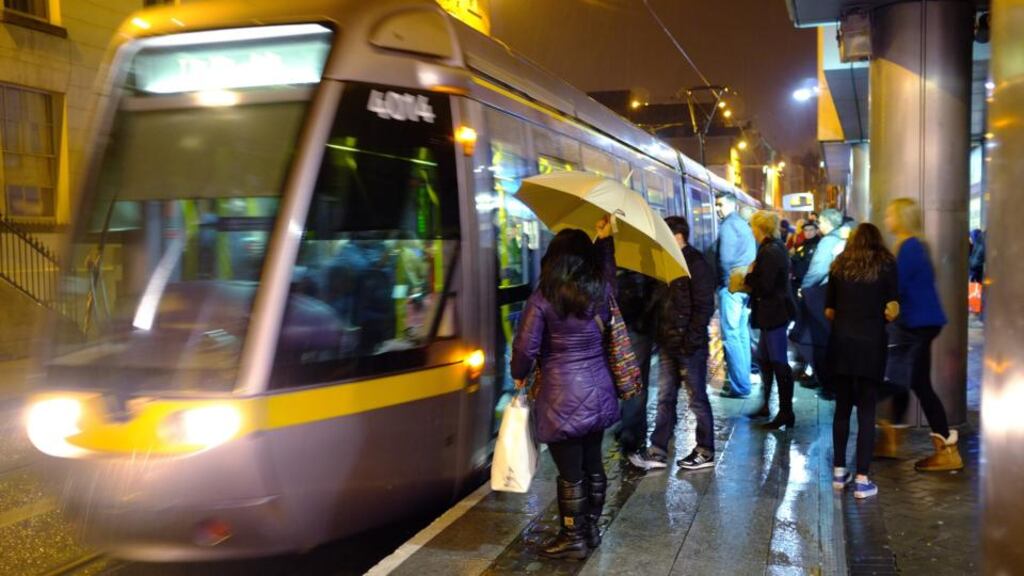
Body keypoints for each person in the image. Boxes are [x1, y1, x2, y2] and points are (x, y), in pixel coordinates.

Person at [509, 220, 619, 559]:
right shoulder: (600, 291)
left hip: (560, 395)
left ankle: (573, 536)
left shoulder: (543, 298)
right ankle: (591, 529)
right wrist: (606, 239)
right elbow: (608, 272)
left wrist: (518, 375)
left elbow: (525, 349)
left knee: (570, 472)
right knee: (593, 463)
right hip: (599, 389)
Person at [877, 198, 964, 472]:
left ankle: (946, 449)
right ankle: (893, 437)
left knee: (916, 382)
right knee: (907, 377)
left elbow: (896, 287)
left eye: (891, 214)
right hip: (921, 322)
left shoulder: (909, 247)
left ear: (902, 218)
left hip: (917, 323)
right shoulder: (916, 245)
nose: (887, 218)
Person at [631, 216, 717, 471]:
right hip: (668, 342)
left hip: (690, 346)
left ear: (676, 235)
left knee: (697, 399)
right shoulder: (666, 262)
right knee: (665, 397)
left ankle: (705, 450)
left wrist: (689, 341)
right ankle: (657, 450)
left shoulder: (696, 263)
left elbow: (704, 307)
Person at [825, 223, 899, 500]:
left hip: (842, 343)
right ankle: (862, 480)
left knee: (842, 408)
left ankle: (838, 472)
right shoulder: (887, 264)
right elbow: (893, 307)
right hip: (871, 345)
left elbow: (829, 310)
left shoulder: (839, 264)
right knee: (867, 410)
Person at [744, 211, 797, 429]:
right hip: (771, 314)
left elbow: (765, 285)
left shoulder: (770, 251)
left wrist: (749, 275)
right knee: (765, 360)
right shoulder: (773, 247)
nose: (752, 231)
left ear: (760, 228)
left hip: (774, 314)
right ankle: (766, 405)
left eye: (753, 227)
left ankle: (786, 413)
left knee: (778, 363)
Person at [797, 208, 846, 399]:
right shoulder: (843, 238)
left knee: (819, 338)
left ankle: (828, 383)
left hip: (822, 293)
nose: (819, 227)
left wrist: (804, 287)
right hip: (838, 295)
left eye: (821, 223)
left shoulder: (828, 241)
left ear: (828, 223)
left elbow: (818, 270)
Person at [715, 193, 757, 398]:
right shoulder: (742, 224)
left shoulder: (728, 225)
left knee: (731, 336)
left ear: (731, 205)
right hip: (743, 287)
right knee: (740, 335)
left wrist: (724, 284)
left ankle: (740, 386)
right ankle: (744, 381)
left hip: (732, 288)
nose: (717, 209)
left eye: (720, 204)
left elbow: (725, 259)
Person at [615, 269, 659, 458]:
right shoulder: (640, 275)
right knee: (633, 380)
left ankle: (632, 433)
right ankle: (631, 427)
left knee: (634, 381)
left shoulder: (636, 277)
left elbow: (635, 303)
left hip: (636, 329)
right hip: (635, 329)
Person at [790, 221, 820, 290]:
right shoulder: (802, 245)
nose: (808, 232)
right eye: (806, 230)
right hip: (798, 280)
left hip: (811, 282)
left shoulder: (819, 245)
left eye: (811, 230)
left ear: (816, 230)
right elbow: (795, 259)